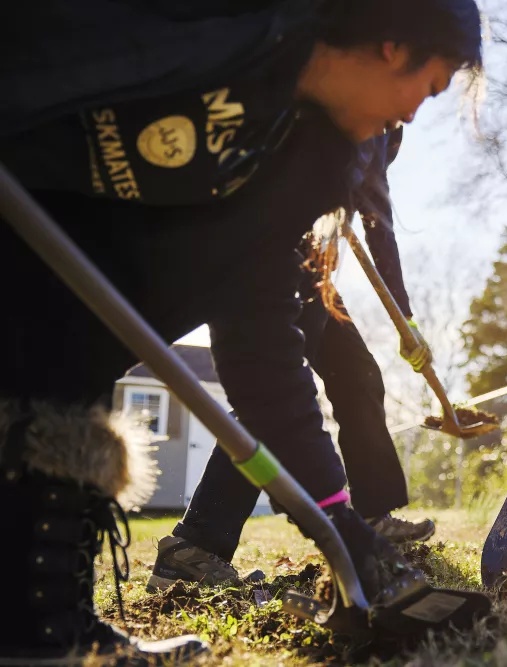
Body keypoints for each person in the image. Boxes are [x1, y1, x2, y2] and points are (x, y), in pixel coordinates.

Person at [0, 1, 482, 663]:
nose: (411, 117)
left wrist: (334, 515)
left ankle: (42, 632)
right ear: (394, 43)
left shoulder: (306, 168)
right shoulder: (228, 23)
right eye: (426, 90)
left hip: (60, 302)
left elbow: (263, 351)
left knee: (58, 385)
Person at [148, 127, 436, 591]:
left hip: (313, 267)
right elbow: (378, 221)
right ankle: (196, 546)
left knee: (357, 373)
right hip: (278, 256)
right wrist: (406, 320)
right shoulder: (375, 118)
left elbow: (370, 208)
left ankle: (372, 514)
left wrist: (408, 321)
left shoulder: (375, 114)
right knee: (271, 395)